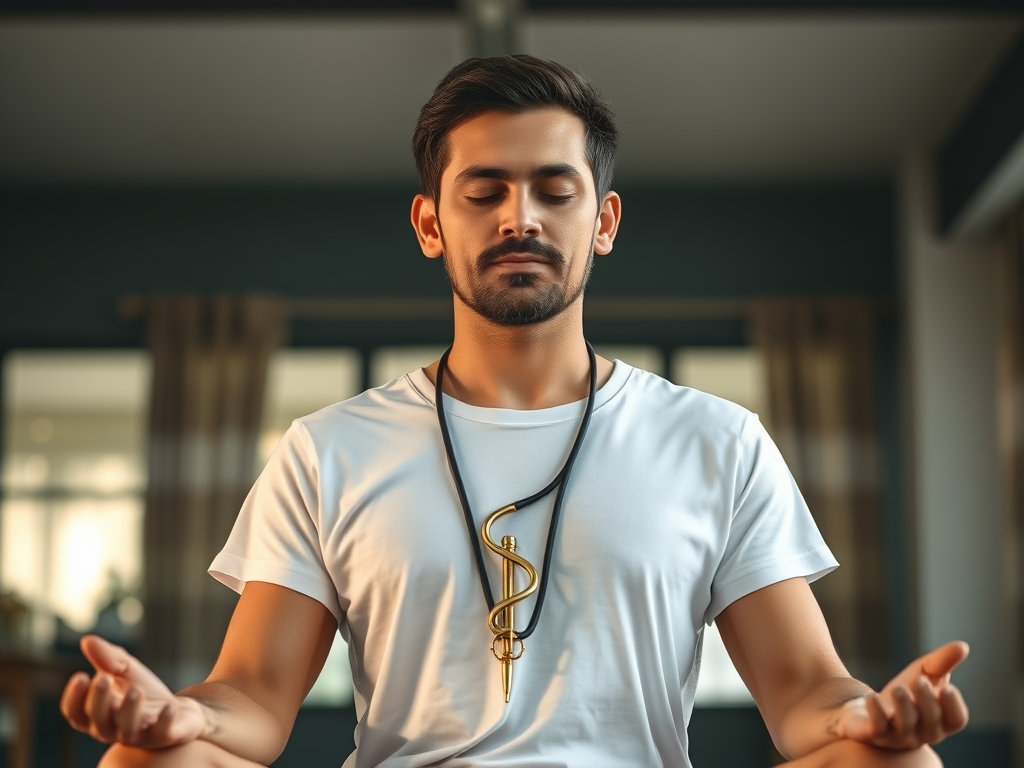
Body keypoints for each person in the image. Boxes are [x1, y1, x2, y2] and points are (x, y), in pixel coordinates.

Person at [60, 55, 968, 768]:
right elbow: (252, 700)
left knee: (901, 762)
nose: (518, 218)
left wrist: (869, 714)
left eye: (553, 190)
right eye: (483, 191)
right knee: (146, 760)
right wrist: (178, 715)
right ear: (430, 225)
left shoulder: (717, 441)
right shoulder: (327, 450)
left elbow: (806, 693)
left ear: (602, 222)